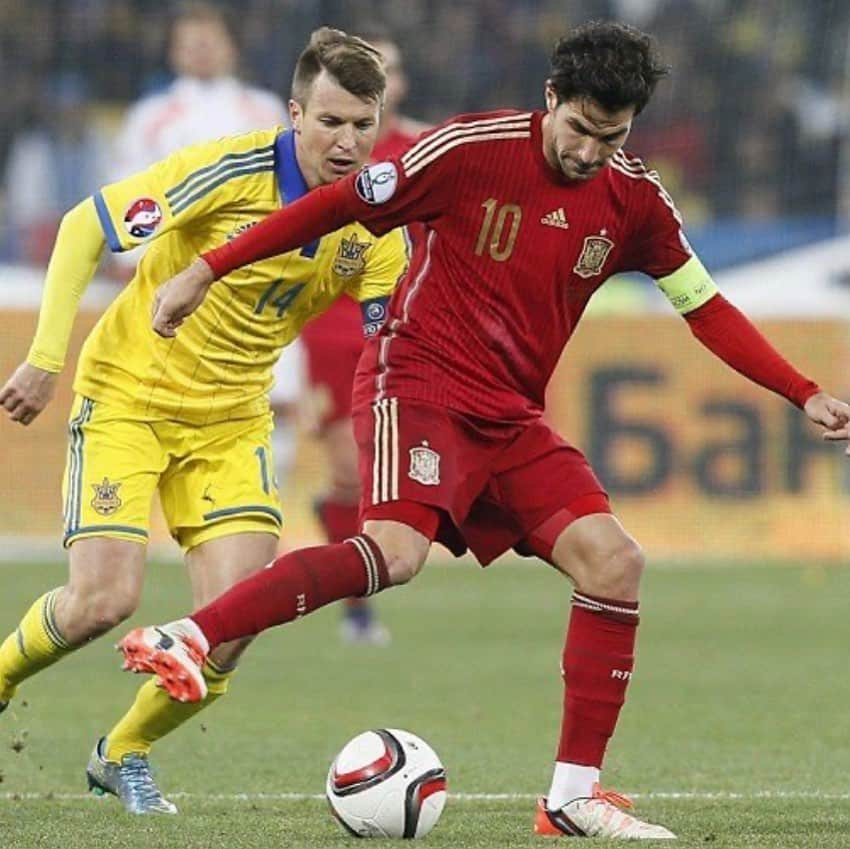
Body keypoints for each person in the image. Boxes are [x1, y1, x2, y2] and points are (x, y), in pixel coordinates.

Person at [119, 21, 850, 839]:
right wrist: (204, 267)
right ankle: (190, 632)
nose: (587, 151)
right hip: (418, 379)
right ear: (550, 99)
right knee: (394, 557)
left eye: (609, 136)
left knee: (614, 561)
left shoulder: (636, 199)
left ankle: (573, 796)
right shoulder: (465, 150)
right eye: (577, 129)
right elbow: (331, 205)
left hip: (509, 412)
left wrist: (802, 390)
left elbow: (704, 306)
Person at [0, 28, 407, 815]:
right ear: (295, 114)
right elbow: (89, 225)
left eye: (363, 124)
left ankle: (122, 751)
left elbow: (386, 341)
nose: (347, 141)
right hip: (129, 394)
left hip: (231, 422)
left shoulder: (376, 223)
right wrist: (45, 357)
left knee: (233, 618)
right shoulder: (229, 170)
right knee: (102, 601)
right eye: (330, 122)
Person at [278, 27, 428, 646]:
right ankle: (358, 607)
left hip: (401, 315)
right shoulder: (319, 147)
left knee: (371, 472)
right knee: (350, 467)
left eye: (385, 72)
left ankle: (357, 586)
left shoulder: (419, 149)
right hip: (332, 322)